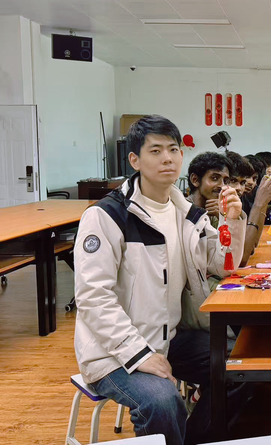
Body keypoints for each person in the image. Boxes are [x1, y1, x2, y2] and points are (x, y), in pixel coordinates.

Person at [73, 115, 247, 445]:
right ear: (135, 160)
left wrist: (233, 221)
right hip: (114, 352)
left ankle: (193, 439)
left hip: (169, 338)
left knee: (241, 366)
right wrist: (139, 354)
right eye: (155, 151)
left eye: (173, 149)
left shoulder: (185, 213)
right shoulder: (107, 216)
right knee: (162, 400)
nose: (167, 158)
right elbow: (93, 297)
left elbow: (223, 265)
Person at [186, 152, 233, 229]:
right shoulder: (180, 210)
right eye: (215, 178)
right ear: (195, 180)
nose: (222, 186)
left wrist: (222, 218)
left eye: (225, 181)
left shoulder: (215, 213)